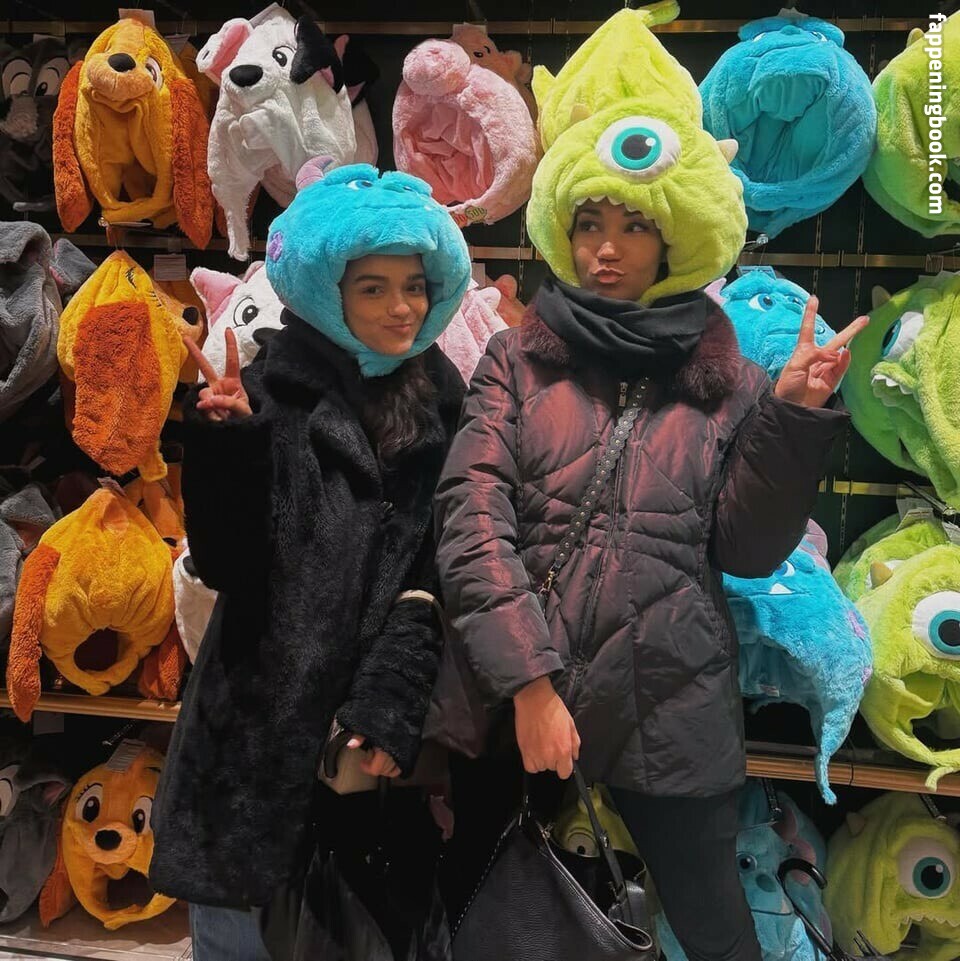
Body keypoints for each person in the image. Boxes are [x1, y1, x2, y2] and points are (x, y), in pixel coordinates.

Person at [433, 198, 867, 961]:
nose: (607, 247)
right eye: (589, 225)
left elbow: (745, 548)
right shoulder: (515, 360)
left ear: (672, 238)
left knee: (717, 930)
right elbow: (471, 525)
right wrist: (529, 684)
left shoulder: (731, 382)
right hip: (517, 691)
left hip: (671, 693)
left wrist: (793, 416)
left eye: (633, 227)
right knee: (486, 908)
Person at [150, 164, 472, 961]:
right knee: (237, 940)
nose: (402, 307)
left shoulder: (443, 404)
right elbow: (227, 563)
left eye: (413, 285)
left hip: (359, 753)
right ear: (330, 292)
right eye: (373, 288)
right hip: (251, 734)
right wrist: (226, 443)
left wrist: (388, 700)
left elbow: (430, 578)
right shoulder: (271, 390)